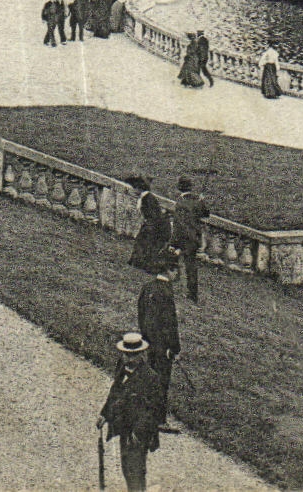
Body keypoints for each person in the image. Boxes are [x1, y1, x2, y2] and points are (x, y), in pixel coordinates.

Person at [100, 333, 167, 492]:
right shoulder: (122, 369)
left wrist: (139, 433)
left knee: (136, 469)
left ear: (142, 354)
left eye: (134, 355)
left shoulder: (150, 377)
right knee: (126, 467)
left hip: (139, 432)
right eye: (126, 355)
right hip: (124, 427)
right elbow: (114, 393)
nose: (129, 359)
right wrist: (104, 414)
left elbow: (154, 410)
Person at [138, 257, 181, 411]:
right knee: (162, 381)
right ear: (169, 271)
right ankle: (159, 418)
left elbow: (141, 313)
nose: (177, 274)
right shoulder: (166, 291)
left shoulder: (148, 287)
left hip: (149, 341)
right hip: (163, 346)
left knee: (149, 375)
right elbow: (170, 322)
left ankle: (145, 410)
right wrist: (175, 348)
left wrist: (145, 336)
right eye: (176, 271)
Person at [171, 178, 209, 303]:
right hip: (194, 239)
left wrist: (174, 241)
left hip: (182, 238)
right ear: (190, 188)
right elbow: (205, 214)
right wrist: (202, 201)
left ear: (179, 188)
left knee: (174, 260)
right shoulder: (196, 202)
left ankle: (173, 283)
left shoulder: (180, 203)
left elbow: (178, 224)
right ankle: (193, 294)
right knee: (191, 266)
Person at [128, 179, 173, 274]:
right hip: (154, 225)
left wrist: (148, 226)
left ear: (139, 189)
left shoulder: (148, 199)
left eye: (134, 189)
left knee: (148, 244)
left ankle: (146, 264)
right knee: (143, 242)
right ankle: (138, 262)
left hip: (158, 227)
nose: (133, 191)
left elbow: (153, 216)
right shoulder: (146, 197)